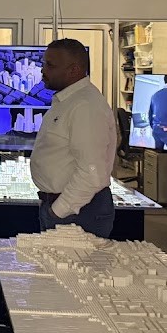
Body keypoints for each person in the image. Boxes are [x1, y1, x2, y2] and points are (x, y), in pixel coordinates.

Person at [31, 39, 117, 237]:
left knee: (72, 268)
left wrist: (59, 210)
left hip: (77, 213)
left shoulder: (85, 106)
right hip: (65, 208)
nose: (43, 70)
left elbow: (91, 172)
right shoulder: (68, 100)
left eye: (50, 65)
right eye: (44, 64)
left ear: (74, 70)